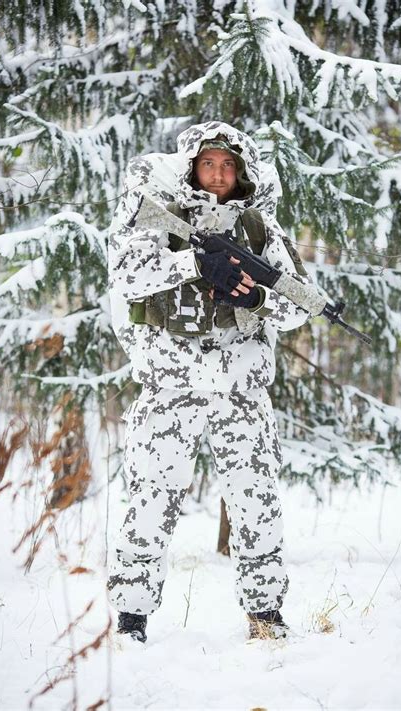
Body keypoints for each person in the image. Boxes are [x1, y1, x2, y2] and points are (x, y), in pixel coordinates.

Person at [106, 121, 326, 644]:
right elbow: (126, 274)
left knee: (257, 502)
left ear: (242, 172)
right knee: (150, 499)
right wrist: (193, 262)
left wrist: (257, 300)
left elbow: (298, 304)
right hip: (169, 384)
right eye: (209, 163)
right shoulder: (158, 215)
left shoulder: (259, 226)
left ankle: (266, 615)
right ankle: (131, 619)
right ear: (191, 167)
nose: (219, 174)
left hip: (240, 388)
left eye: (229, 165)